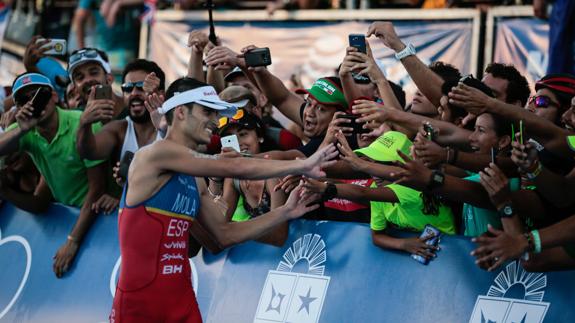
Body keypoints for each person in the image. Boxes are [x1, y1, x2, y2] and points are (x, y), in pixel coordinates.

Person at [111, 77, 337, 322]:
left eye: (215, 113)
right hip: (140, 305)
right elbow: (234, 166)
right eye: (206, 111)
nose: (214, 122)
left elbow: (223, 236)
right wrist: (306, 164)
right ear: (180, 112)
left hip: (182, 301)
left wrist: (285, 212)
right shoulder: (154, 155)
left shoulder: (195, 178)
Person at [0, 73, 107, 277]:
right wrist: (21, 129)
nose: (34, 103)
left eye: (39, 95)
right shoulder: (26, 130)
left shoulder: (82, 123)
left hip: (99, 219)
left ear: (55, 97)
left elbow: (97, 189)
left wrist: (72, 241)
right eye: (25, 100)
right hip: (68, 219)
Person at [212, 109, 289, 246]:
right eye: (230, 138)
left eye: (243, 134)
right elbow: (219, 221)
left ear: (260, 136)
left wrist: (231, 228)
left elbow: (279, 235)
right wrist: (215, 179)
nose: (239, 143)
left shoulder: (273, 171)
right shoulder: (233, 178)